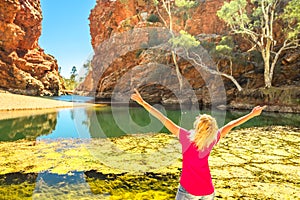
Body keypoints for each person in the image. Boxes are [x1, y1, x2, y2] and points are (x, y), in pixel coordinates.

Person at [131, 89, 266, 200]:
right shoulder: (212, 140)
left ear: (198, 126)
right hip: (207, 191)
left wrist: (143, 102)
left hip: (188, 190)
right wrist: (251, 114)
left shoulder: (185, 137)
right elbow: (231, 124)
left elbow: (162, 118)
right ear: (211, 130)